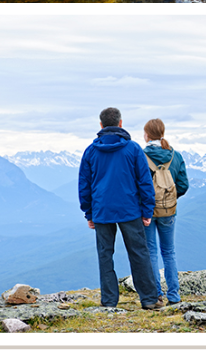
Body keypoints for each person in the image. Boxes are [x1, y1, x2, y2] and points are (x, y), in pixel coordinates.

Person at [78, 107, 163, 310]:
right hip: (130, 210)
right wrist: (147, 210)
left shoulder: (90, 151)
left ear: (101, 125)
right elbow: (144, 182)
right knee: (139, 253)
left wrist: (88, 212)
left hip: (102, 211)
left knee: (105, 255)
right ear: (120, 123)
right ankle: (150, 299)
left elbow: (84, 185)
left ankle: (109, 302)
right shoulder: (133, 149)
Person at [141, 118, 189, 306]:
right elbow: (183, 185)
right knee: (169, 252)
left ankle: (156, 295)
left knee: (151, 251)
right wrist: (169, 199)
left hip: (147, 212)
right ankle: (174, 296)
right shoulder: (175, 156)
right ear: (162, 133)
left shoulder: (141, 155)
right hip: (169, 211)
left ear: (147, 135)